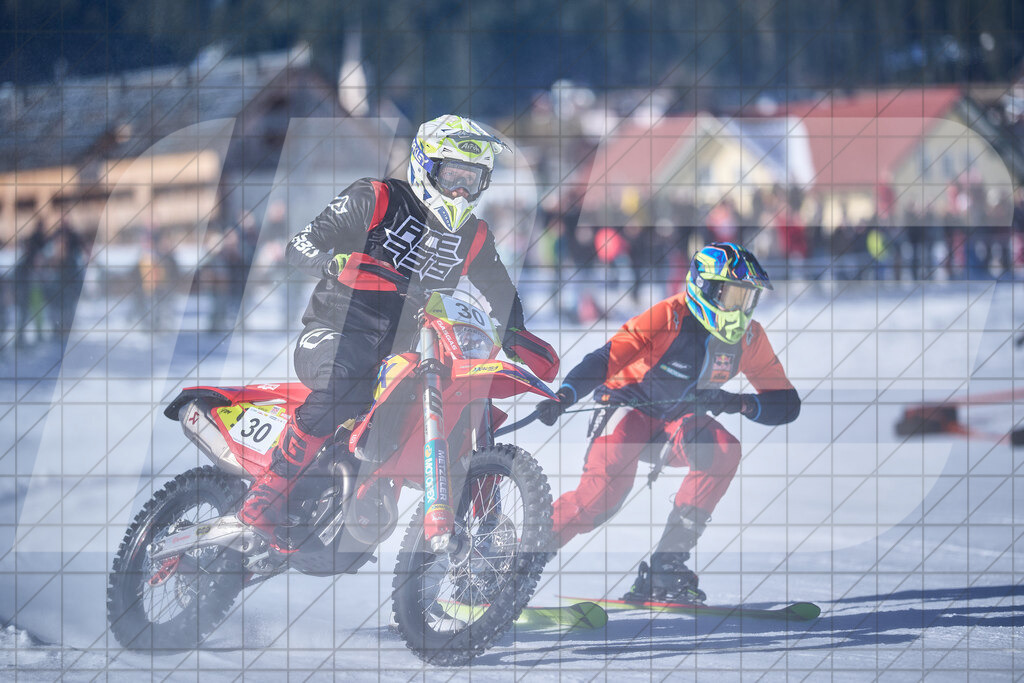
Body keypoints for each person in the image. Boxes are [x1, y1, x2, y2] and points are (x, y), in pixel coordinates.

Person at [239, 115, 557, 551]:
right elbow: (303, 242)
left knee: (464, 395)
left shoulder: (473, 235)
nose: (461, 190)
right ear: (426, 167)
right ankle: (264, 497)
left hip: (410, 350)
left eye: (473, 179)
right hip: (337, 329)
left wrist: (515, 332)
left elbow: (500, 291)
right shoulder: (378, 197)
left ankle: (473, 538)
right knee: (345, 383)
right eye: (453, 176)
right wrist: (334, 263)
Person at [536, 242, 800, 603]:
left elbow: (787, 404)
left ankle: (665, 567)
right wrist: (566, 394)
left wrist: (737, 402)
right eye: (734, 296)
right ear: (705, 288)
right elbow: (605, 358)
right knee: (599, 500)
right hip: (627, 410)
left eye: (748, 299)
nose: (741, 310)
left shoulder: (750, 339)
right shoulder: (669, 317)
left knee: (724, 450)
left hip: (679, 422)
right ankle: (514, 560)